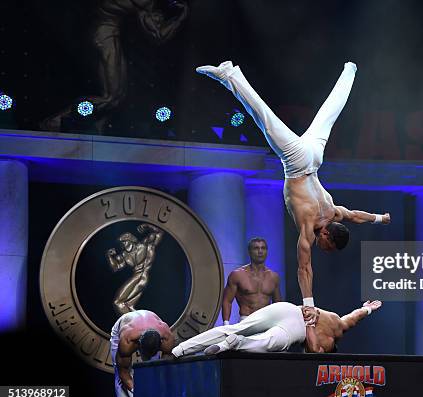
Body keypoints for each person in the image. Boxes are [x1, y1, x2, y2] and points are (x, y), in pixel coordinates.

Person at [195, 61, 391, 315]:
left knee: (329, 114)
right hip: (297, 163)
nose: (324, 250)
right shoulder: (310, 228)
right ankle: (229, 75)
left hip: (314, 157)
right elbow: (304, 269)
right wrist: (309, 305)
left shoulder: (335, 213)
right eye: (327, 247)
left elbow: (356, 216)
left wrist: (380, 218)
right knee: (265, 120)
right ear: (327, 236)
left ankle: (349, 70)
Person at [41, 0, 189, 133]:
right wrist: (181, 17)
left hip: (104, 33)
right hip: (105, 35)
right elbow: (158, 36)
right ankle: (57, 120)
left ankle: (95, 125)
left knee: (116, 97)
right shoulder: (144, 3)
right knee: (112, 97)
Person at [171, 300, 382, 357]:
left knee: (236, 327)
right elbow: (313, 347)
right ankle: (238, 344)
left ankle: (180, 349)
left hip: (286, 308)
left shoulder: (340, 323)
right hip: (296, 326)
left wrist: (368, 309)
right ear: (333, 347)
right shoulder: (326, 346)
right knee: (269, 343)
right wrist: (311, 322)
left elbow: (355, 316)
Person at [110, 309, 174, 397]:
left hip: (151, 322)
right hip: (125, 325)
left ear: (160, 343)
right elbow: (123, 372)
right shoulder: (127, 340)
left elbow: (163, 368)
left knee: (154, 369)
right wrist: (137, 392)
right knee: (119, 374)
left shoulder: (166, 336)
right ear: (138, 344)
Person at [106, 223, 164, 315]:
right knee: (128, 306)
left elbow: (159, 233)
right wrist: (109, 257)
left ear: (131, 240)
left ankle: (132, 325)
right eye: (122, 243)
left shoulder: (145, 245)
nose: (123, 245)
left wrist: (148, 226)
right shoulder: (124, 255)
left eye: (125, 241)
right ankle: (139, 325)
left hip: (141, 276)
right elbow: (116, 267)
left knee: (118, 303)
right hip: (139, 277)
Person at [222, 237, 282, 324]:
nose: (260, 251)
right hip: (246, 320)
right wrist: (226, 324)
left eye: (263, 248)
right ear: (249, 252)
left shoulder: (273, 277)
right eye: (256, 248)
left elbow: (278, 305)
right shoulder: (237, 275)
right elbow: (227, 301)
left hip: (266, 321)